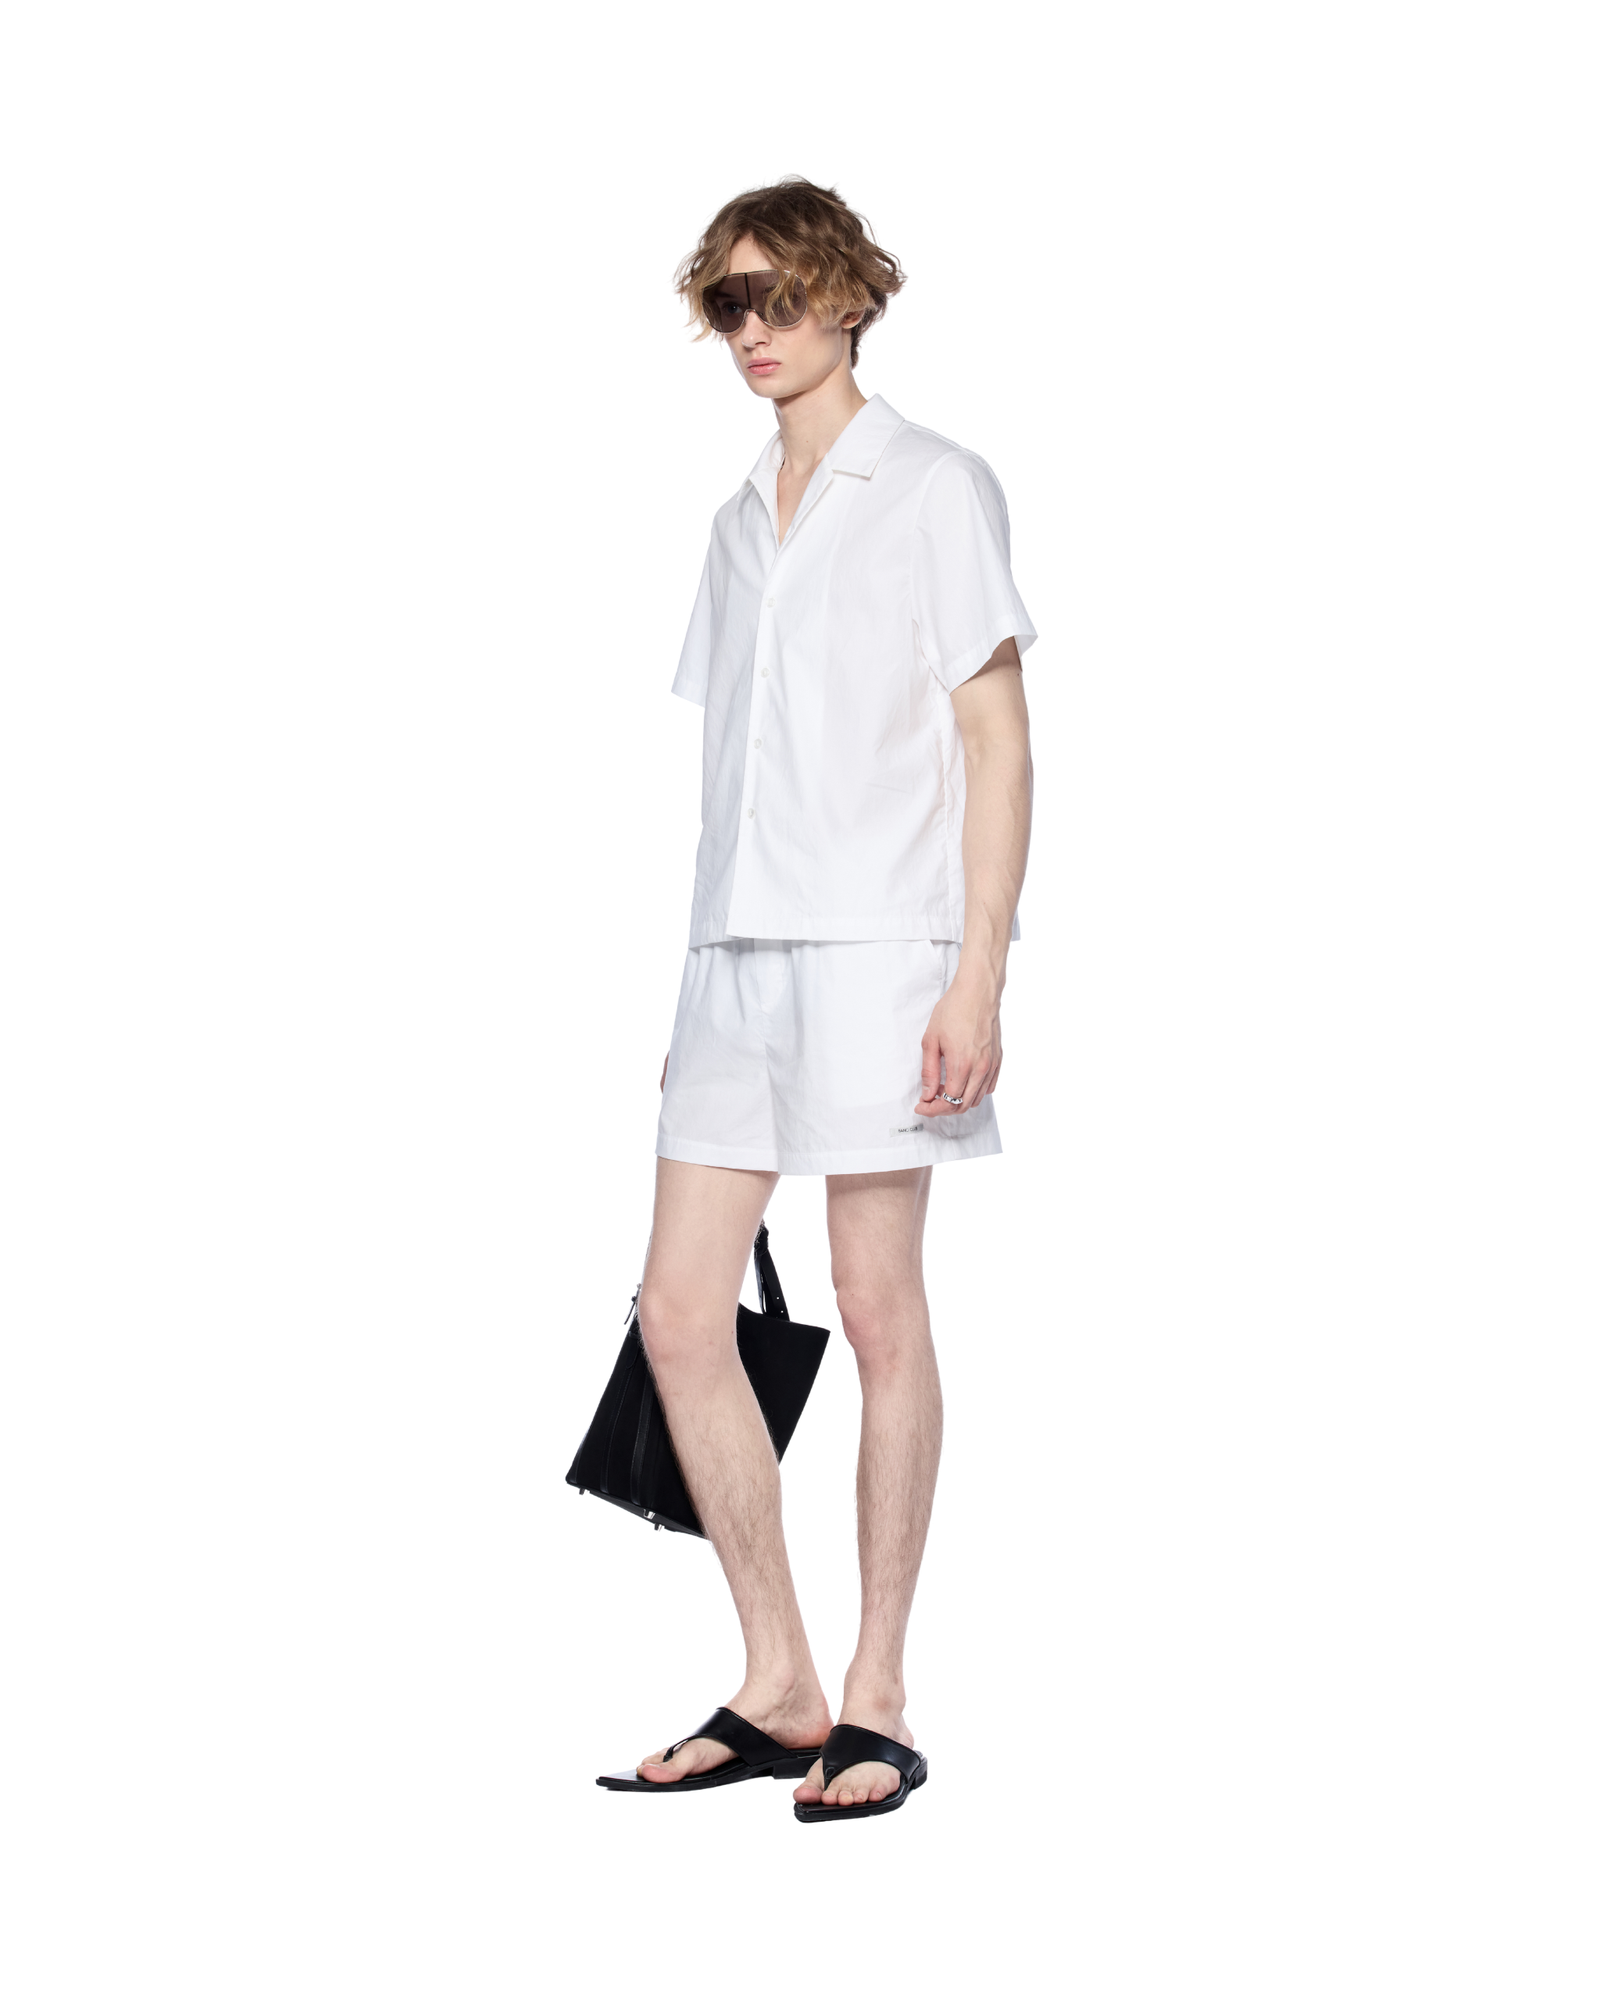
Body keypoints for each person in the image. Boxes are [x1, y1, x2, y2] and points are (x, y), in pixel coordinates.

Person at [598, 179, 1035, 1820]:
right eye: (728, 302)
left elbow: (995, 740)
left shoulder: (933, 485)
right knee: (678, 1312)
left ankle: (880, 1690)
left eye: (778, 294)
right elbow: (734, 773)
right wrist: (692, 984)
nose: (753, 329)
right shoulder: (733, 523)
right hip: (735, 963)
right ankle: (778, 1675)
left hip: (878, 954)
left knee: (874, 1302)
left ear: (851, 295)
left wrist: (979, 968)